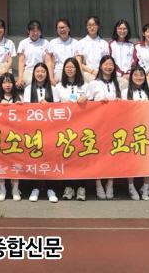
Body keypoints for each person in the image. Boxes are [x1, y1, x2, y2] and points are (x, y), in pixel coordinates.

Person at [23, 62, 59, 203]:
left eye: (43, 71)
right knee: (35, 159)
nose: (40, 74)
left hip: (51, 130)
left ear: (47, 74)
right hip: (33, 130)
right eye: (37, 71)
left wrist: (49, 106)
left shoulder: (54, 89)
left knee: (50, 159)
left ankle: (51, 188)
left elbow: (60, 108)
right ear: (33, 73)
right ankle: (35, 188)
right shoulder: (28, 89)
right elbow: (25, 109)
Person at [55, 57, 89, 201]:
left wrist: (86, 98)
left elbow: (94, 101)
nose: (70, 69)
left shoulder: (86, 85)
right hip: (65, 127)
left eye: (73, 67)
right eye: (67, 67)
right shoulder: (58, 87)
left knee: (82, 157)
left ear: (77, 69)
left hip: (83, 126)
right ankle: (68, 187)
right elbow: (54, 106)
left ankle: (81, 187)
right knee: (67, 156)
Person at [89, 55, 121, 200]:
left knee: (112, 154)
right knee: (98, 154)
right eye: (106, 64)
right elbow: (88, 103)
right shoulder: (94, 83)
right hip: (98, 124)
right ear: (101, 66)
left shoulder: (117, 83)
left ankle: (110, 183)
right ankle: (98, 183)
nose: (108, 67)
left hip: (114, 123)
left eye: (111, 65)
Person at [126, 66, 149, 201]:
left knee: (148, 159)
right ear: (131, 77)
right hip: (131, 129)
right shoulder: (125, 92)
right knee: (131, 159)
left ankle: (146, 187)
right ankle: (131, 186)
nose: (139, 78)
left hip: (148, 128)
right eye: (135, 75)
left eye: (141, 75)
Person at [0, 73, 22, 201]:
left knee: (15, 162)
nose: (7, 85)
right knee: (1, 162)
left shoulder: (19, 98)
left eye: (10, 82)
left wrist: (21, 107)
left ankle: (15, 188)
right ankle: (2, 188)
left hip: (15, 136)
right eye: (4, 82)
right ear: (0, 85)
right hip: (0, 135)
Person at [45, 18, 81, 85]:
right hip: (59, 71)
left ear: (69, 29)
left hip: (72, 72)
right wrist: (51, 78)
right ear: (57, 30)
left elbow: (78, 61)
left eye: (63, 27)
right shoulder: (52, 43)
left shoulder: (75, 43)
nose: (62, 30)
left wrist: (79, 75)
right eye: (59, 28)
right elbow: (50, 62)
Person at [16, 20, 49, 89]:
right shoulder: (23, 43)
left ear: (40, 32)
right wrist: (20, 78)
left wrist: (50, 76)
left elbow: (48, 62)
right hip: (29, 70)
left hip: (41, 71)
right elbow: (21, 62)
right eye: (33, 31)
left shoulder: (45, 43)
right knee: (30, 82)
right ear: (28, 31)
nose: (35, 33)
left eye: (37, 31)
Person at [78, 16, 110, 83]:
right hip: (86, 73)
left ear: (98, 26)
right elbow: (79, 62)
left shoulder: (104, 43)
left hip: (102, 72)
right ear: (86, 27)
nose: (92, 27)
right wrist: (91, 71)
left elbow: (107, 62)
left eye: (94, 25)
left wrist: (101, 72)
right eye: (89, 25)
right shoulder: (81, 43)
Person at [109, 19, 134, 89]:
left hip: (129, 76)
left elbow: (134, 62)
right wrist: (122, 74)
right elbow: (111, 62)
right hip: (116, 76)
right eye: (120, 28)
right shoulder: (111, 44)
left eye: (125, 29)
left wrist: (129, 73)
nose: (122, 31)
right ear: (116, 30)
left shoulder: (132, 45)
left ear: (128, 30)